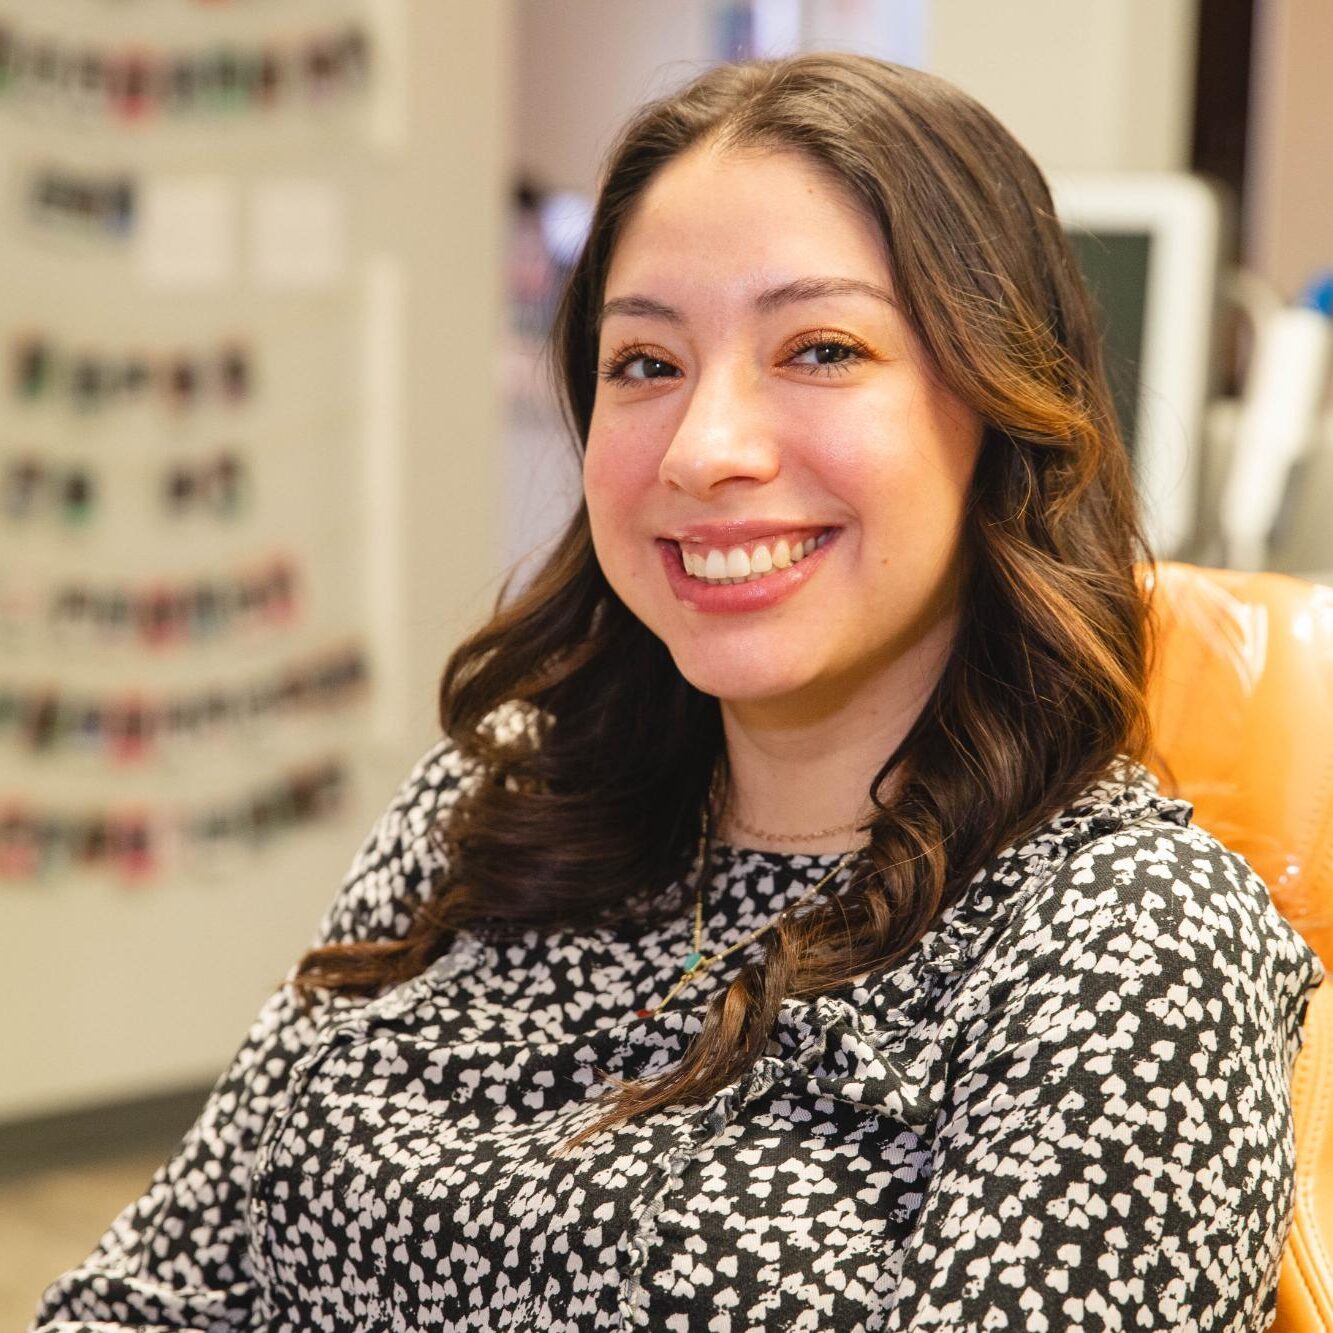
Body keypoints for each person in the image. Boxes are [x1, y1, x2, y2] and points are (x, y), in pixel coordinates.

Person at [33, 52, 1323, 1332]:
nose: (706, 450)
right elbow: (151, 1292)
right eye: (645, 364)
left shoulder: (1126, 943)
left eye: (819, 348)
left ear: (1002, 406)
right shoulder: (505, 804)